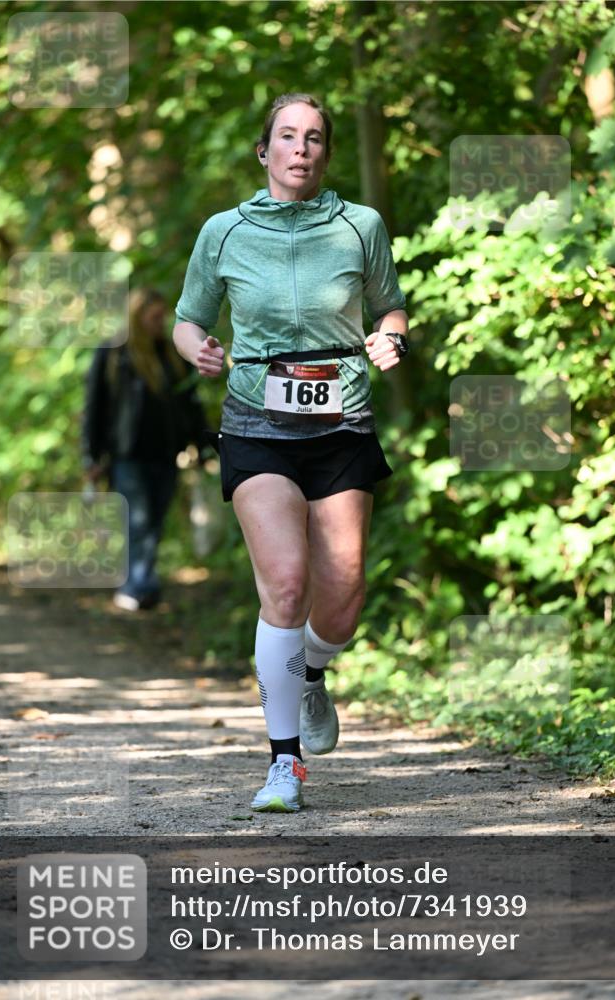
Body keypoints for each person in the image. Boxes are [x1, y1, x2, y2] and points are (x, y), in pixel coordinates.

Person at [173, 93, 409, 812]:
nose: (300, 148)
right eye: (286, 136)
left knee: (342, 599)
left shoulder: (359, 226)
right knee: (283, 584)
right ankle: (284, 764)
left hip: (341, 428)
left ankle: (311, 673)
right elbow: (188, 320)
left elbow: (389, 305)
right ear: (264, 150)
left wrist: (391, 338)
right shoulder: (224, 232)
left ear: (325, 154)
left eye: (312, 138)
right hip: (256, 426)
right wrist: (199, 351)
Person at [82, 287, 209, 611]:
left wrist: (202, 444)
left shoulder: (170, 354)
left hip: (166, 453)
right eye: (154, 317)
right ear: (137, 317)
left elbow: (189, 403)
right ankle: (137, 586)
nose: (160, 323)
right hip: (127, 454)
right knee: (137, 521)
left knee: (155, 521)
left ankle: (143, 583)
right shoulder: (114, 353)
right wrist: (91, 455)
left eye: (163, 317)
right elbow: (95, 406)